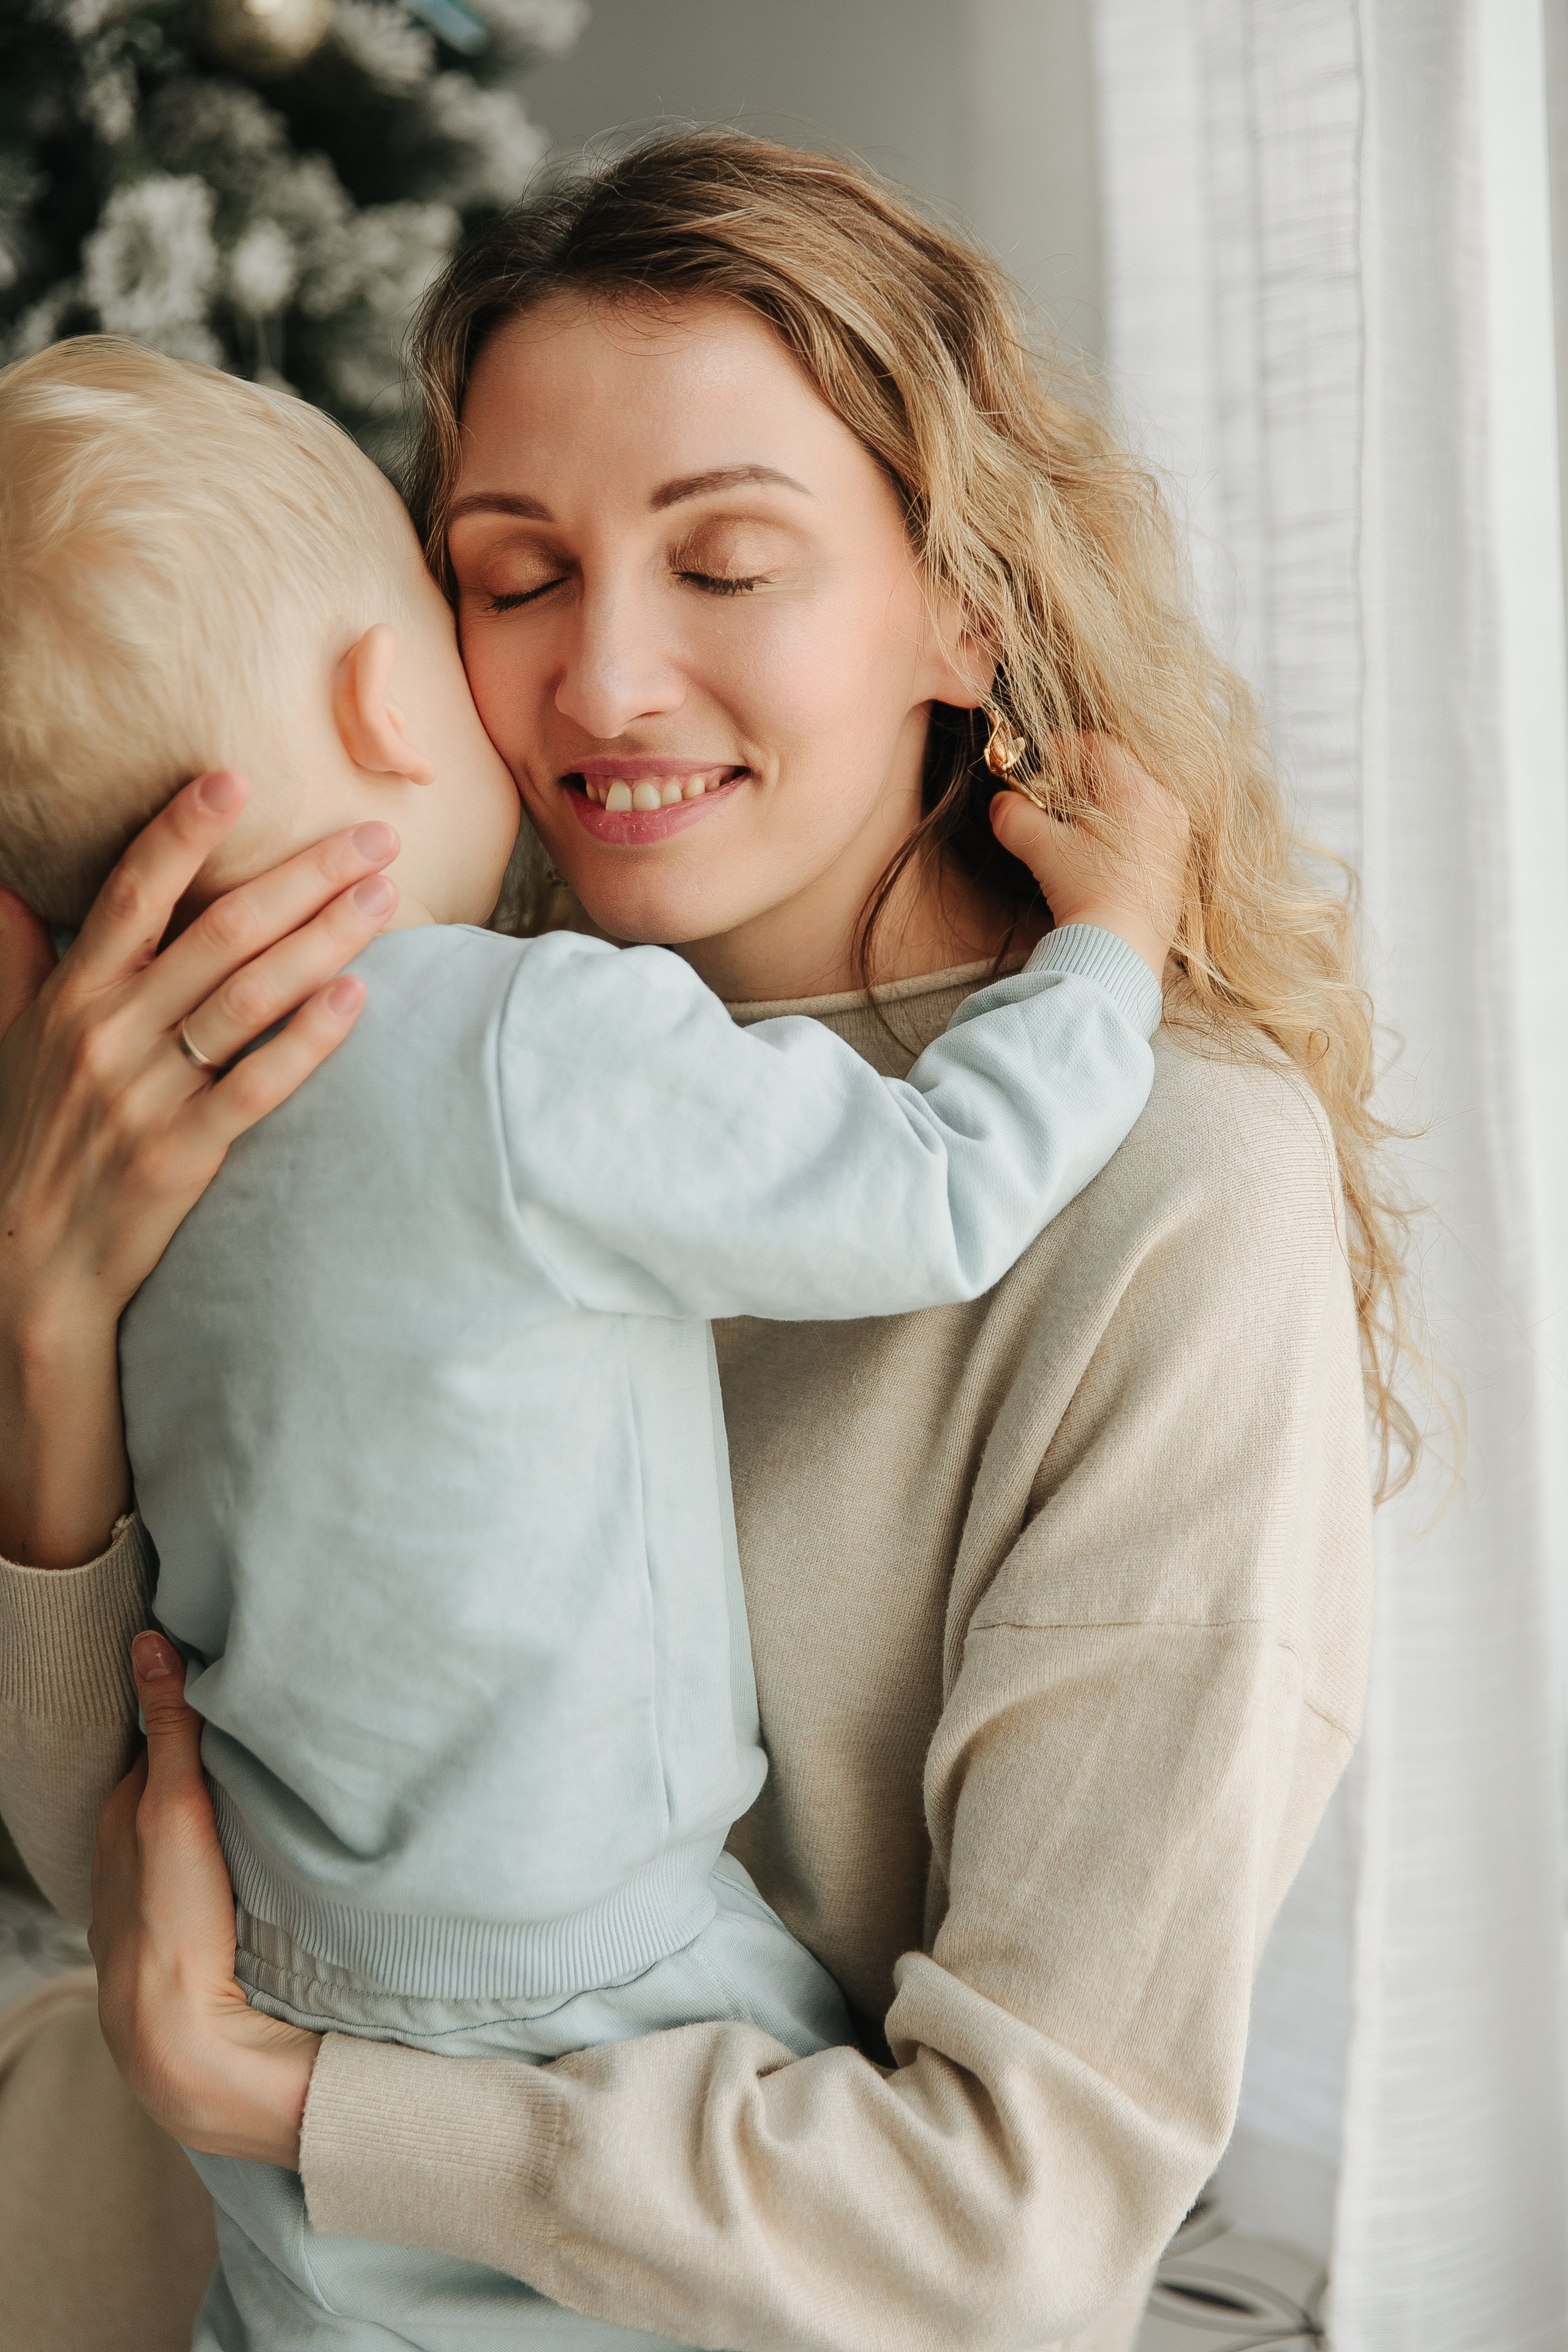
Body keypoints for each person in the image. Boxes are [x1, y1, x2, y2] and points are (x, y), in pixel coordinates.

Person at [0, 134, 1393, 2352]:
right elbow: (153, 1851)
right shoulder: (392, 1082)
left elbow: (999, 2235)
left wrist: (298, 2099)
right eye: (515, 572)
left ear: (964, 601)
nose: (606, 682)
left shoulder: (1168, 1196)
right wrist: (55, 1334)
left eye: (728, 561)